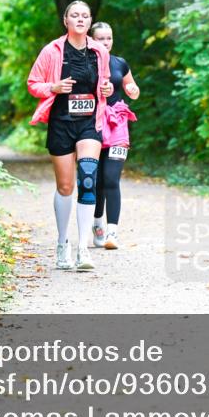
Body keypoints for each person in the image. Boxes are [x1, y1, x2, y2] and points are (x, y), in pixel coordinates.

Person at [28, 1, 114, 271]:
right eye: (74, 15)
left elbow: (105, 83)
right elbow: (33, 84)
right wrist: (53, 87)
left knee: (88, 177)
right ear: (65, 20)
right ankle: (63, 243)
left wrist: (108, 89)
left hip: (90, 121)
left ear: (90, 22)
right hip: (61, 122)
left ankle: (83, 249)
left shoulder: (99, 51)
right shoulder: (52, 51)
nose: (80, 19)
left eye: (85, 16)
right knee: (66, 187)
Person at [88, 22, 140, 250]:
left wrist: (132, 90)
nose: (106, 43)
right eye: (101, 38)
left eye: (108, 38)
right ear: (92, 40)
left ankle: (112, 233)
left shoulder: (120, 63)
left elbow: (132, 88)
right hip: (93, 124)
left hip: (117, 124)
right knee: (95, 181)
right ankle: (97, 224)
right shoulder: (86, 62)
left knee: (111, 179)